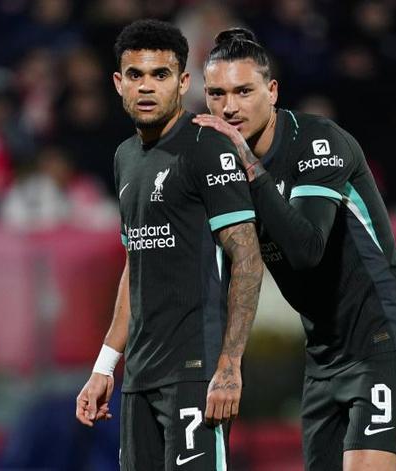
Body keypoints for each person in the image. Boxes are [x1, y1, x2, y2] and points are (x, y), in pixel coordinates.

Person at [193, 29, 396, 471]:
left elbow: (307, 250)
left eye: (244, 91)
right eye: (217, 94)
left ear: (272, 91)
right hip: (324, 353)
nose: (229, 108)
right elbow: (222, 269)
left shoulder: (317, 142)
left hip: (384, 335)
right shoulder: (223, 167)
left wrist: (249, 166)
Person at [75, 20, 264, 471]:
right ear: (118, 83)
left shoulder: (207, 148)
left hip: (196, 372)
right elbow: (135, 265)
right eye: (135, 75)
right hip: (139, 377)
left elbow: (247, 258)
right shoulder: (124, 157)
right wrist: (105, 366)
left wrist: (229, 365)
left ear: (182, 82)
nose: (146, 86)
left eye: (160, 75)